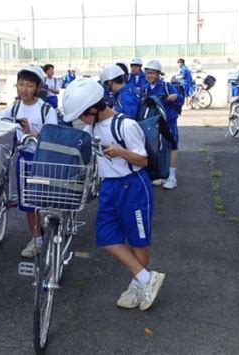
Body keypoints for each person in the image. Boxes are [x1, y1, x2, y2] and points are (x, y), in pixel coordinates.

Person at [62, 78, 165, 311]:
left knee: (138, 242)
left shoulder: (125, 125)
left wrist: (121, 152)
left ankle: (138, 285)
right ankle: (147, 279)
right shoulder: (91, 127)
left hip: (134, 186)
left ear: (93, 109)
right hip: (109, 186)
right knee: (107, 237)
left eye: (82, 115)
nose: (81, 121)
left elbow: (143, 160)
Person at [0, 65, 58, 258]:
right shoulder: (14, 107)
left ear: (38, 87)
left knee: (45, 201)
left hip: (44, 160)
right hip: (24, 160)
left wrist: (34, 133)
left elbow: (54, 137)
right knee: (29, 204)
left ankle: (50, 232)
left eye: (29, 85)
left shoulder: (46, 109)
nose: (24, 89)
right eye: (20, 84)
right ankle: (37, 239)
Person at [143, 59, 181, 190]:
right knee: (156, 147)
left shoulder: (166, 85)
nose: (149, 76)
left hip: (168, 121)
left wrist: (175, 97)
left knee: (172, 147)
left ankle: (172, 177)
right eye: (147, 73)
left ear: (158, 74)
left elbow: (179, 98)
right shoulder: (145, 88)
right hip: (154, 122)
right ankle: (160, 174)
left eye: (152, 73)